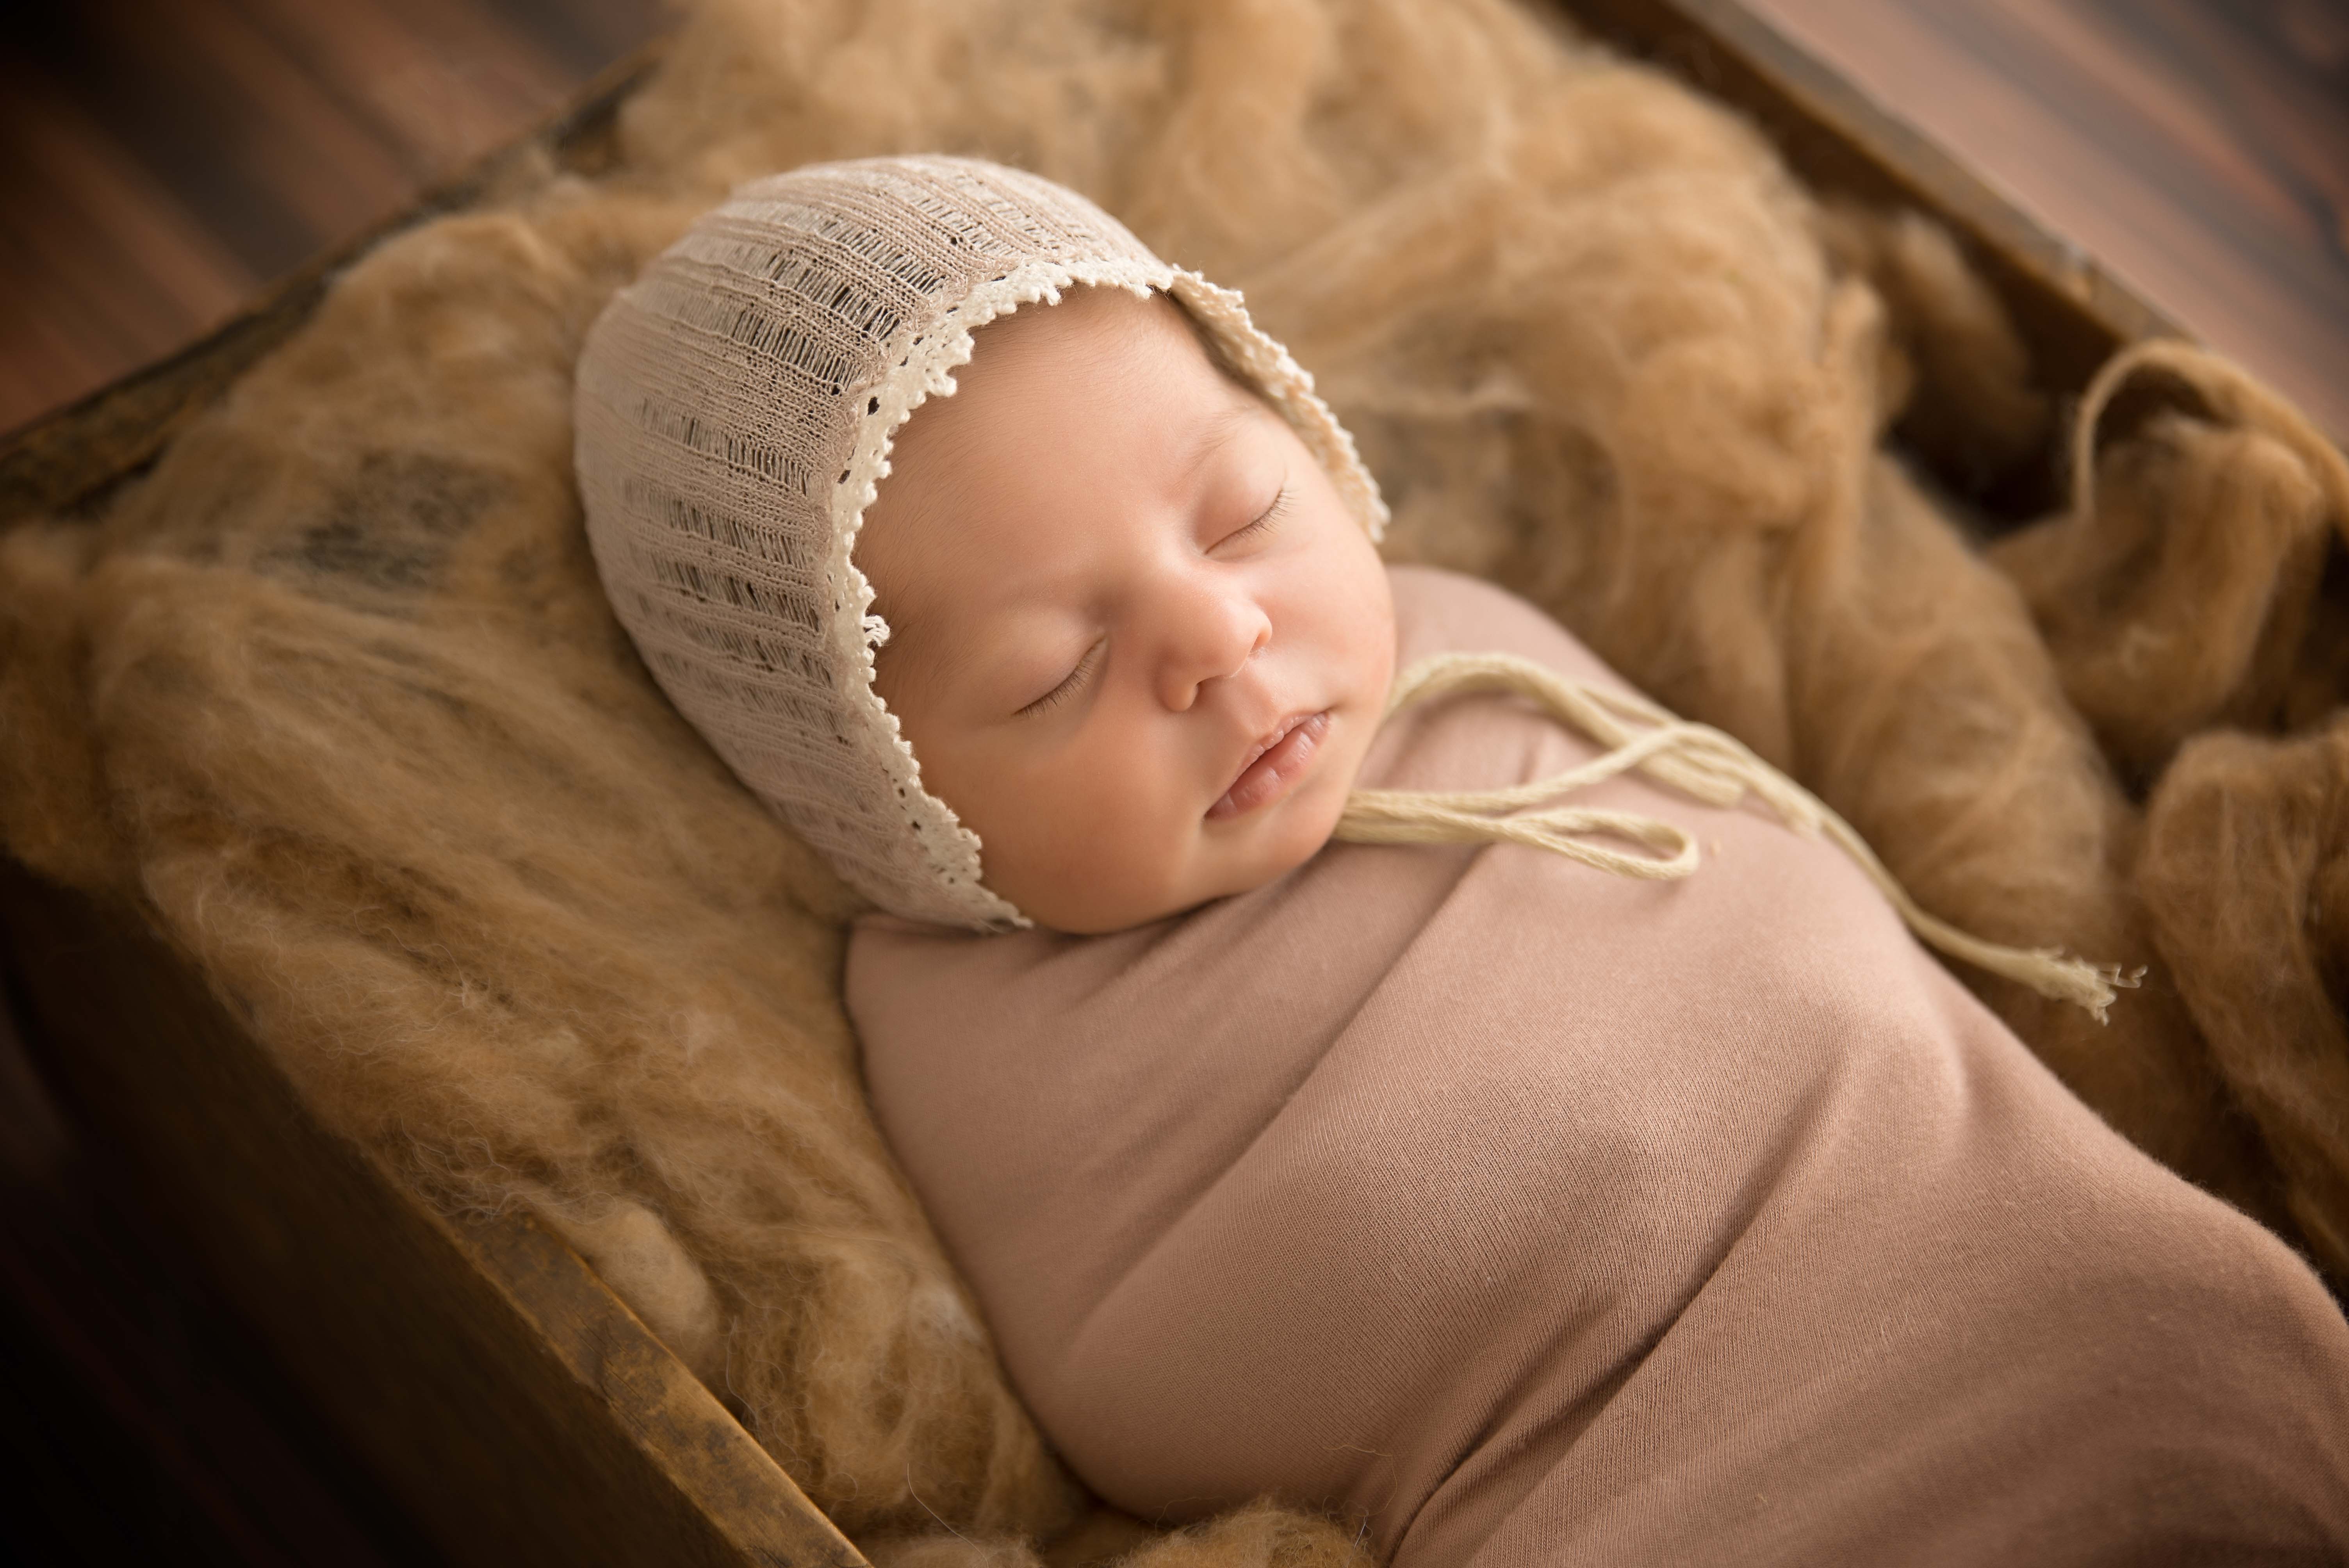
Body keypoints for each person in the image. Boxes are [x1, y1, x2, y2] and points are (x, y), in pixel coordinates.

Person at [577, 155, 2349, 1565]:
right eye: (1054, 672)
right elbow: (1146, 1375)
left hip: (2050, 1279)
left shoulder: (1453, 634)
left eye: (1243, 508)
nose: (1220, 629)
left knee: (2202, 1378)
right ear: (881, 806)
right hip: (1679, 1485)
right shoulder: (953, 1022)